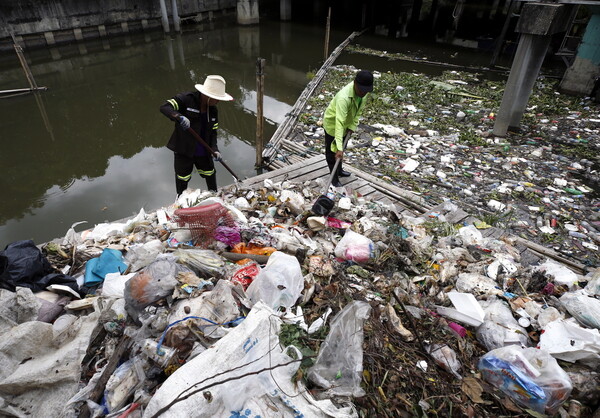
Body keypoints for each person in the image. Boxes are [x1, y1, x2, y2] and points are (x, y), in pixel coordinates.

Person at [160, 75, 233, 195]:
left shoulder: (213, 110)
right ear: (207, 95)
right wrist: (178, 116)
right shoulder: (186, 100)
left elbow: (213, 133)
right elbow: (165, 107)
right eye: (216, 98)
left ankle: (214, 196)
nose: (218, 101)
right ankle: (181, 202)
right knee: (182, 178)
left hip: (204, 150)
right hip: (184, 150)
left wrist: (215, 149)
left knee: (210, 173)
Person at [322, 70, 373, 187]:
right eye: (361, 90)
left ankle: (339, 170)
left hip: (346, 124)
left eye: (366, 91)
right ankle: (334, 178)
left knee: (341, 149)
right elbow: (339, 123)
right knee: (332, 153)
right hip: (333, 124)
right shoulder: (343, 98)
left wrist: (352, 126)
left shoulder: (363, 93)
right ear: (355, 83)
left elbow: (359, 111)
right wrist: (338, 148)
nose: (363, 94)